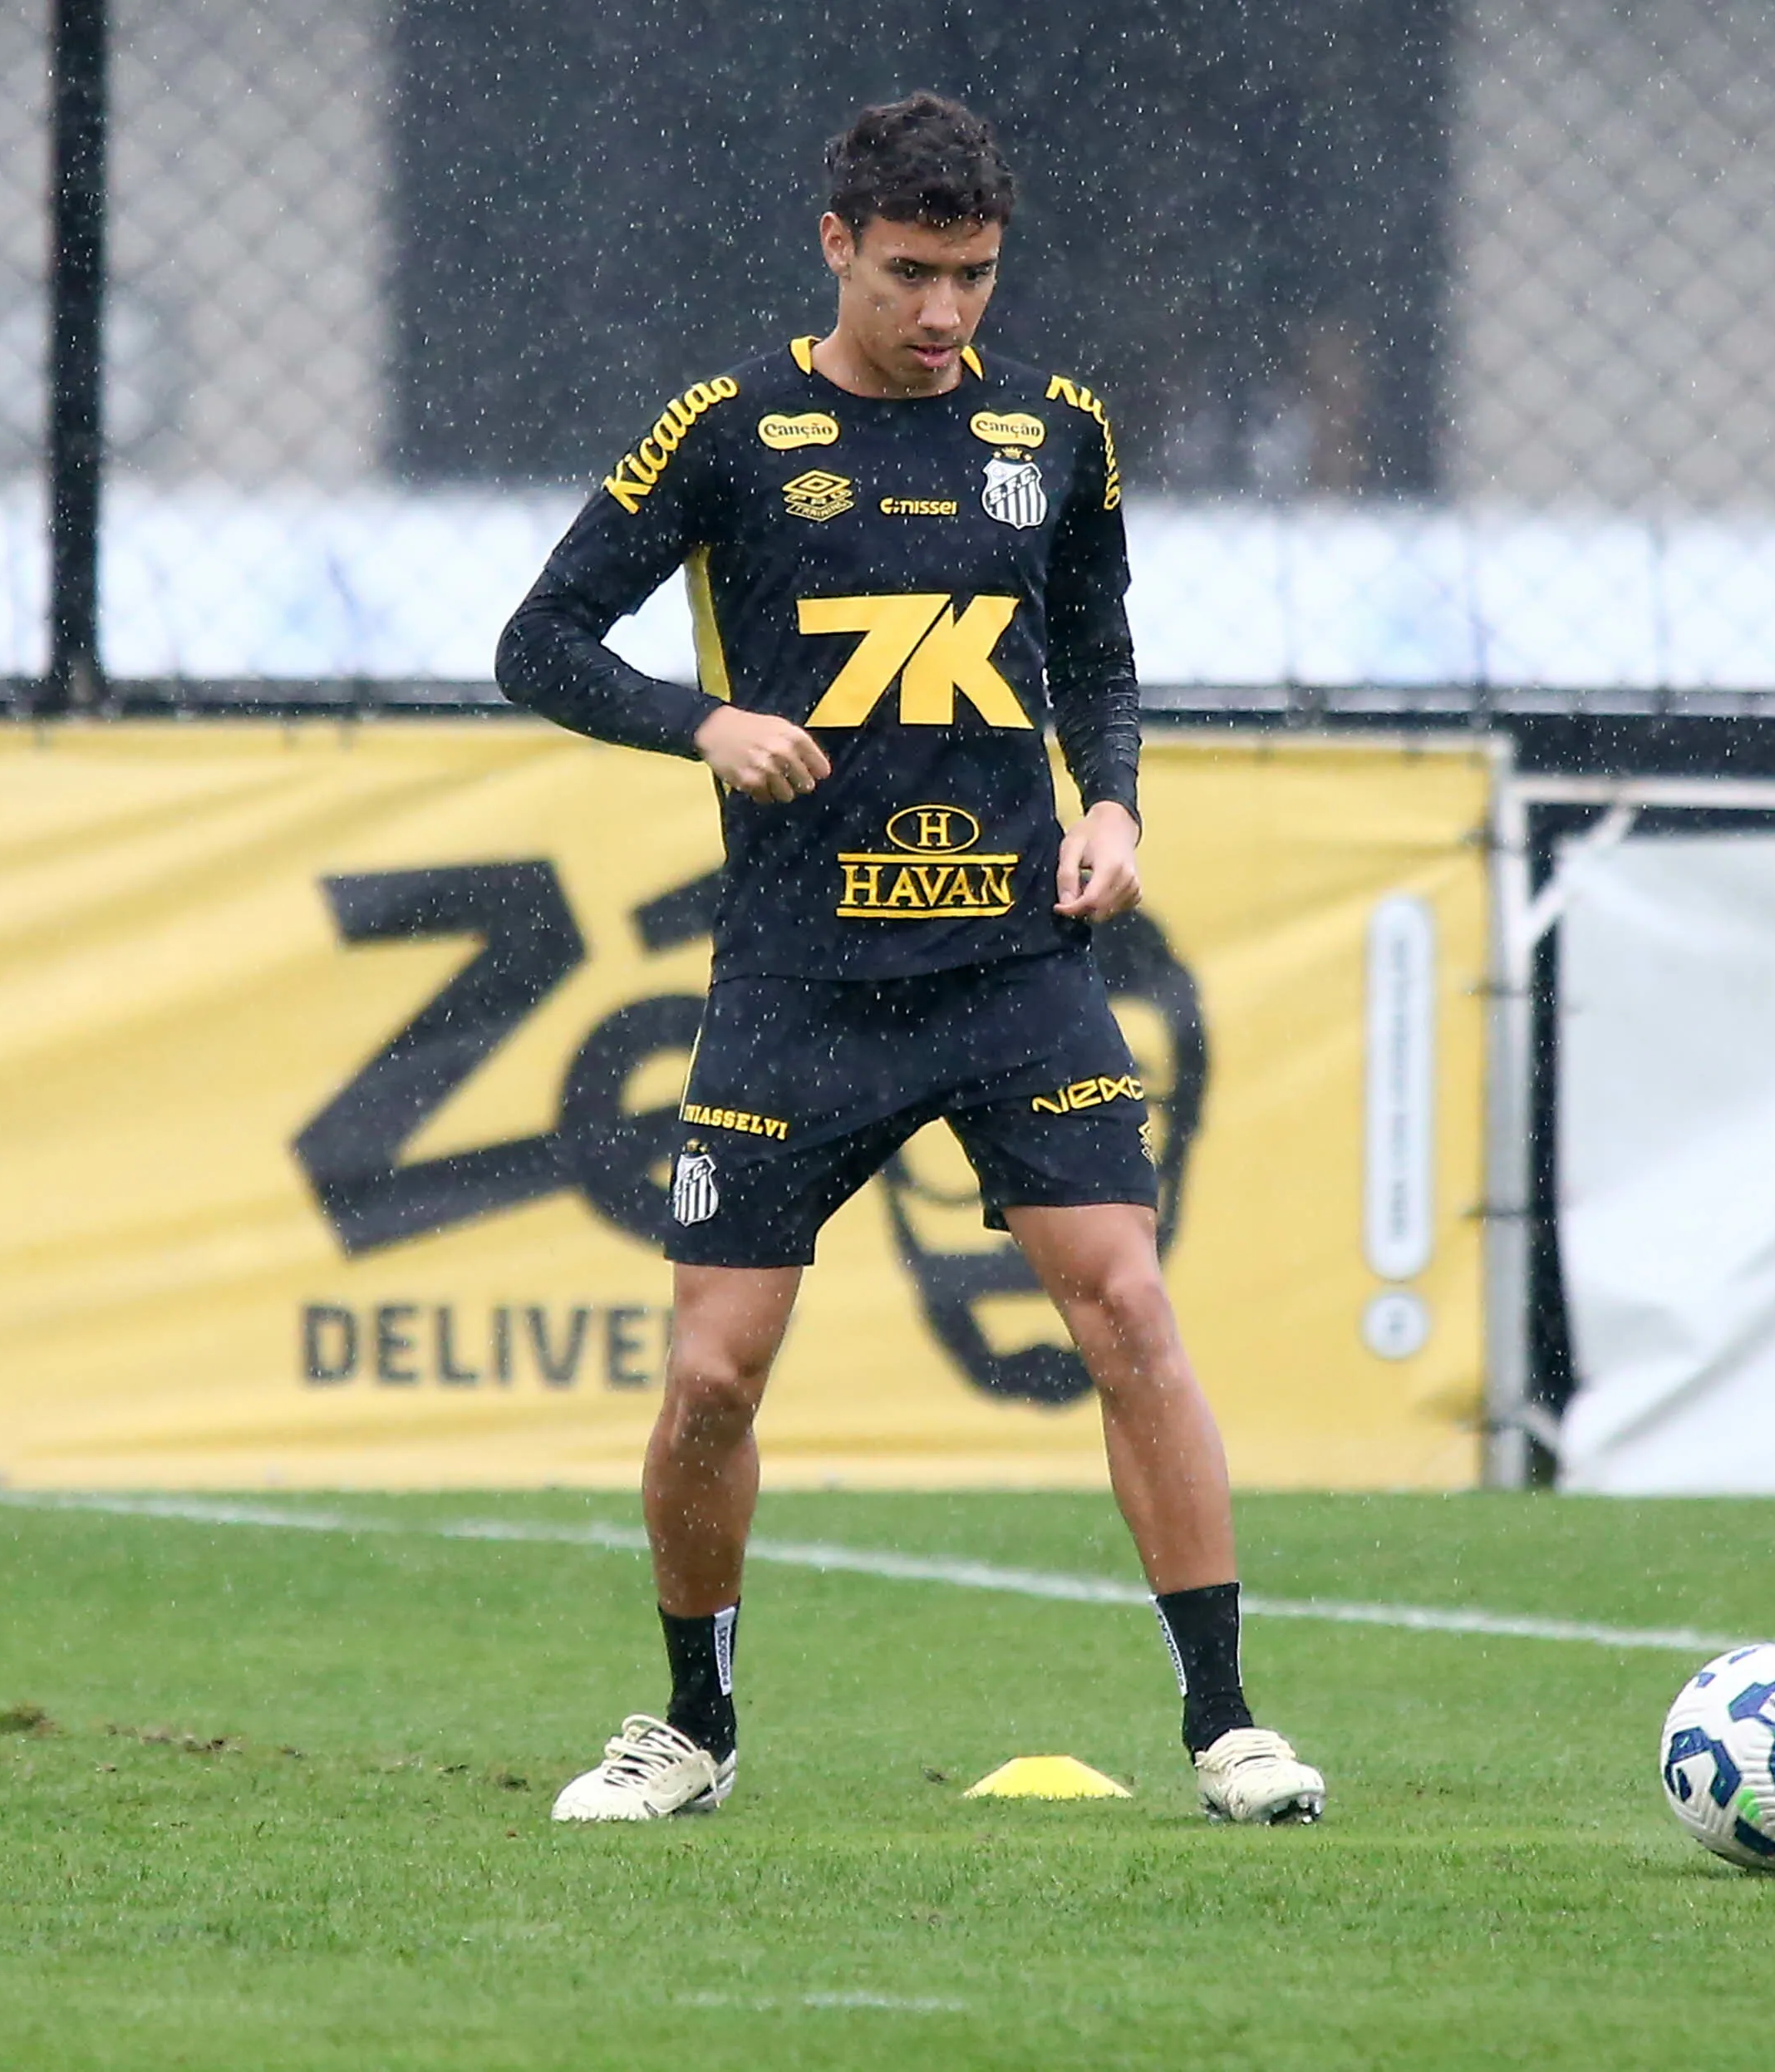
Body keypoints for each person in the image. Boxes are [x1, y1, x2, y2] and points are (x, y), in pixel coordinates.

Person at [495, 91, 1324, 1826]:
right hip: (796, 985)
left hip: (1015, 970)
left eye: (973, 277)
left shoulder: (1057, 427)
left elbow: (1095, 648)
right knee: (713, 1373)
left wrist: (1113, 806)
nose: (945, 315)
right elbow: (540, 641)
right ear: (834, 248)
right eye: (910, 276)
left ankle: (1230, 1725)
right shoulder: (727, 429)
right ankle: (691, 1728)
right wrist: (700, 720)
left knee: (1129, 1308)